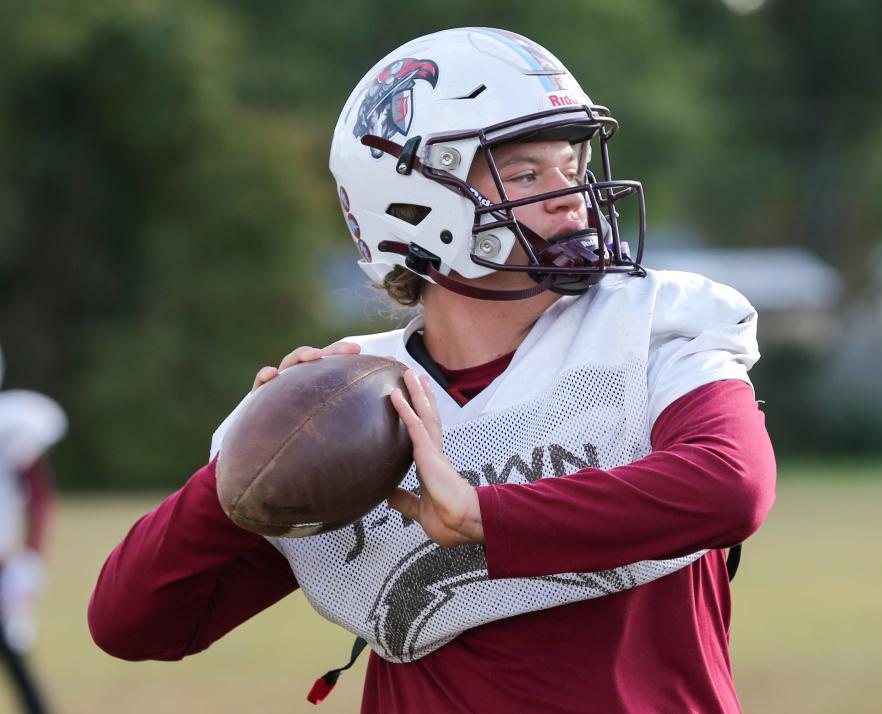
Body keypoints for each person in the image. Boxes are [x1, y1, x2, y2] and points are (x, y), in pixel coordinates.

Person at [89, 27, 776, 713]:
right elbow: (133, 626)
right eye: (529, 174)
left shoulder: (649, 330)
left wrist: (486, 516)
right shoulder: (354, 410)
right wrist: (251, 461)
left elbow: (731, 486)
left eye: (571, 167)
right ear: (413, 205)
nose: (571, 196)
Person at [0, 346, 64, 714]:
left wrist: (29, 559)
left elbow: (39, 497)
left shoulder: (12, 425)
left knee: (14, 655)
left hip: (1, 564)